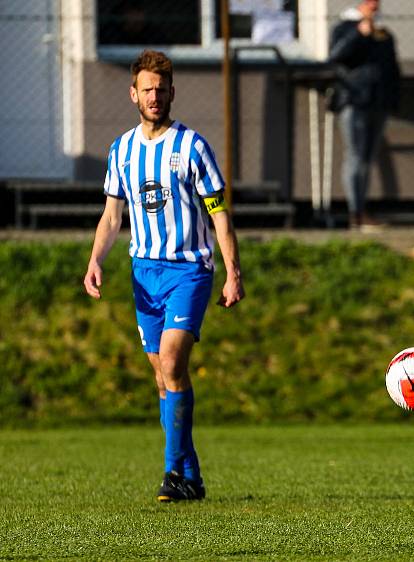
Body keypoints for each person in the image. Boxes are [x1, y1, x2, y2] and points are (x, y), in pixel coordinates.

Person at [83, 49, 245, 502]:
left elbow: (220, 216)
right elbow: (112, 217)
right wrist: (96, 260)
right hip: (143, 273)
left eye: (162, 89)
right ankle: (191, 476)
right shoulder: (121, 150)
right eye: (147, 89)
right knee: (162, 378)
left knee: (174, 363)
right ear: (133, 93)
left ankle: (173, 472)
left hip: (189, 269)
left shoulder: (192, 147)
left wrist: (233, 272)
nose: (155, 96)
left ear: (173, 92)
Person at [328, 0, 401, 230]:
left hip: (378, 103)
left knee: (367, 160)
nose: (374, 6)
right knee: (355, 157)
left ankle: (362, 210)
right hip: (353, 101)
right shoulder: (345, 28)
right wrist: (359, 34)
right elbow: (336, 56)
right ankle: (355, 212)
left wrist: (392, 99)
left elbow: (392, 68)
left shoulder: (383, 34)